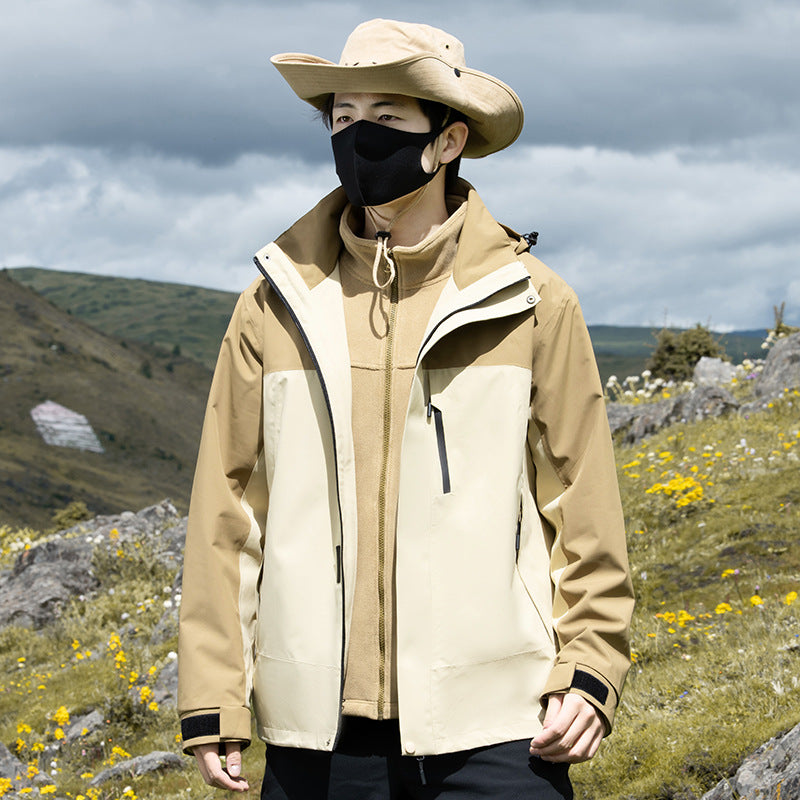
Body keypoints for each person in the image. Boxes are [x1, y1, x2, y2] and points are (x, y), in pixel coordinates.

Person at [177, 18, 634, 799]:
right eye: (343, 117)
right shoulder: (272, 305)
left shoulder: (533, 303)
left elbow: (582, 506)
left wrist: (590, 670)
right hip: (318, 736)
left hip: (500, 728)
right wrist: (215, 694)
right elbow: (228, 511)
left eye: (386, 117)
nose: (358, 137)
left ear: (448, 141)